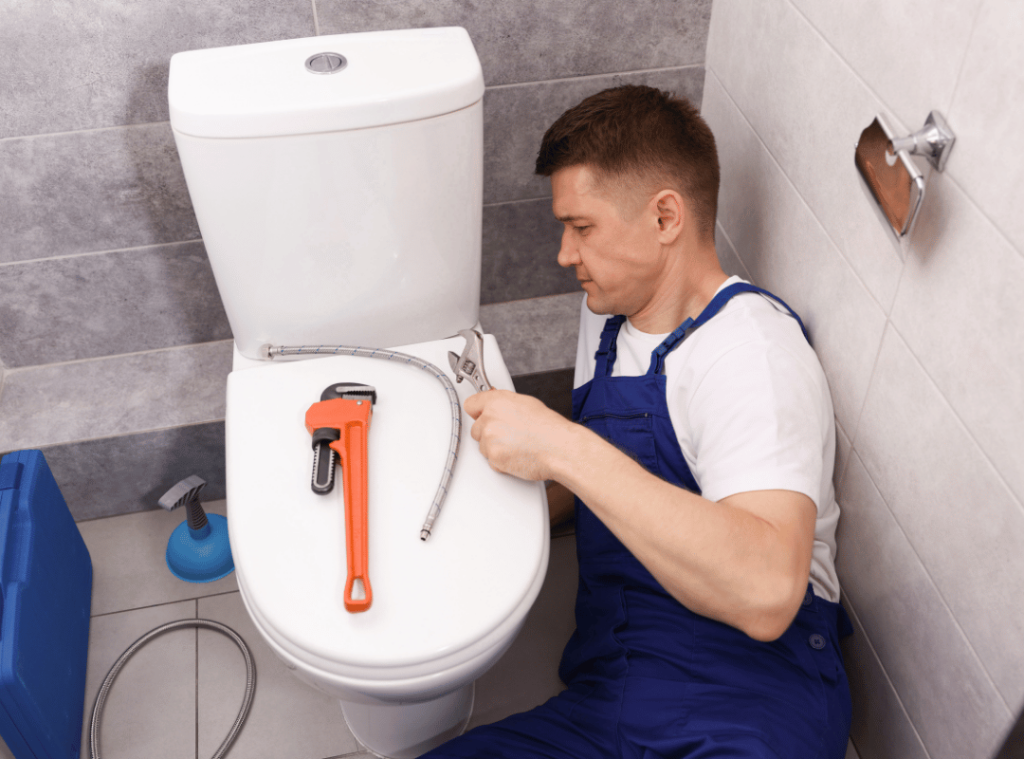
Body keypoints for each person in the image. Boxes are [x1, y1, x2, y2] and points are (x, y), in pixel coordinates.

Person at [423, 85, 851, 759]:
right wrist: (479, 502)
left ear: (665, 218)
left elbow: (768, 590)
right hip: (610, 694)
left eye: (582, 227)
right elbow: (607, 482)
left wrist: (561, 445)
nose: (565, 253)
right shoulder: (611, 319)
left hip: (746, 700)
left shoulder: (749, 352)